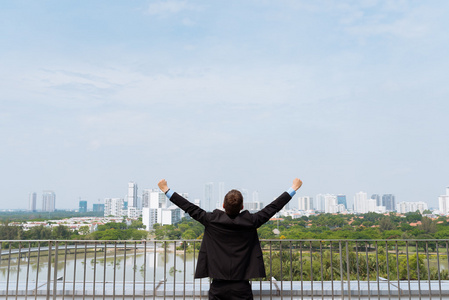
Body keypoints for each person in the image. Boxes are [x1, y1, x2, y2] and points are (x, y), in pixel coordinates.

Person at [158, 178, 303, 300]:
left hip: (217, 288)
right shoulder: (251, 221)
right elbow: (273, 207)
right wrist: (293, 188)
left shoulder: (211, 220)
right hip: (242, 288)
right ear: (242, 206)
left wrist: (166, 189)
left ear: (222, 205)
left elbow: (188, 207)